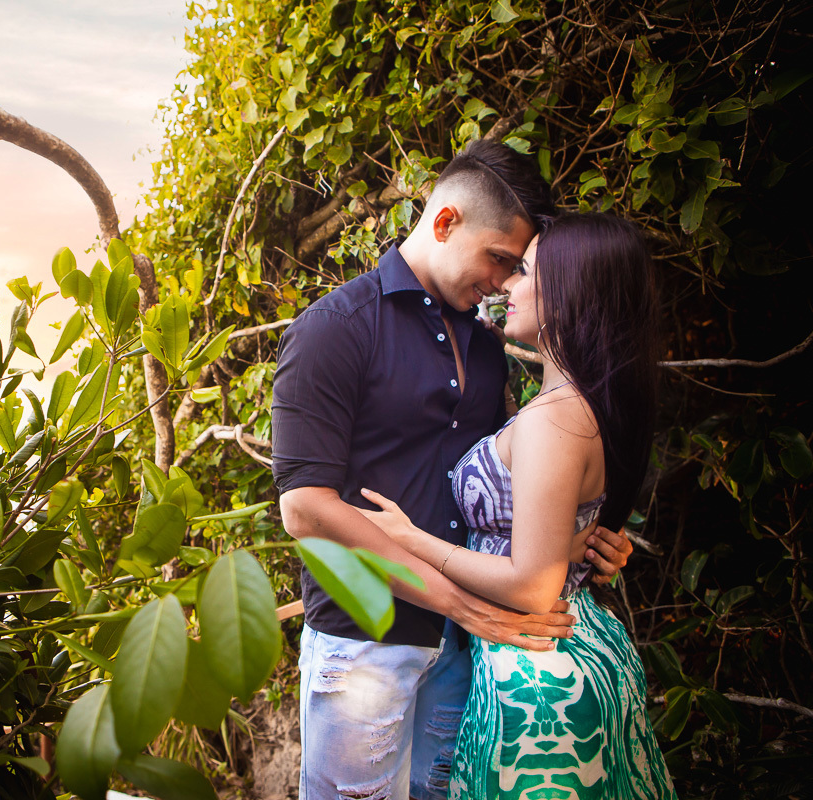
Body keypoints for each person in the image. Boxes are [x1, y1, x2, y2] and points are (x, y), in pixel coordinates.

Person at [271, 140, 632, 800]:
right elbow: (307, 509)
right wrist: (461, 603)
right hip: (365, 642)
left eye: (516, 267)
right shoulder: (335, 329)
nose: (503, 281)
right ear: (444, 223)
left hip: (468, 646)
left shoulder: (487, 347)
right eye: (499, 259)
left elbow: (506, 489)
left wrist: (580, 539)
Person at [359, 214, 677, 798]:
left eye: (523, 269)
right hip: (552, 651)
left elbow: (532, 585)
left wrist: (411, 539)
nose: (505, 283)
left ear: (568, 294)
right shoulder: (573, 403)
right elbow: (546, 542)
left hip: (538, 679)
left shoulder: (556, 418)